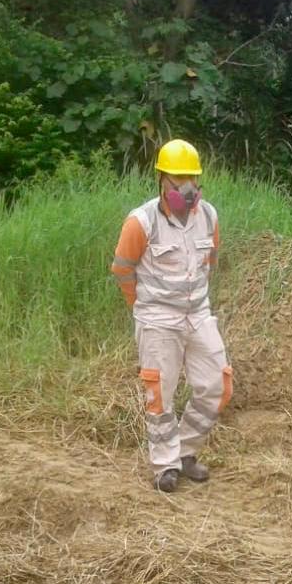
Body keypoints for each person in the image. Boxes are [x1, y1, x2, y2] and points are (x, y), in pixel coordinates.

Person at [110, 139, 231, 492]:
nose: (187, 187)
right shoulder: (141, 221)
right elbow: (121, 270)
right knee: (160, 394)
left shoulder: (208, 216)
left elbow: (212, 262)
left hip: (198, 314)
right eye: (178, 180)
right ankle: (165, 465)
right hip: (158, 319)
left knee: (217, 385)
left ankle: (185, 451)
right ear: (162, 179)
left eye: (191, 178)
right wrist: (142, 310)